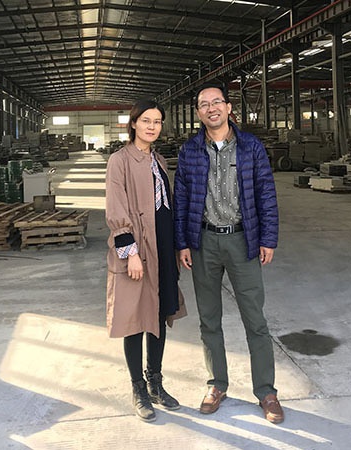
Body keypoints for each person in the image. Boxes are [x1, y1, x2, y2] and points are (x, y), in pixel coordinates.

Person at [173, 81, 283, 424]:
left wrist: (268, 238)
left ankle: (266, 391)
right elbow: (181, 199)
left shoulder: (251, 147)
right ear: (199, 113)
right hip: (204, 241)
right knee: (209, 320)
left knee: (255, 319)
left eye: (217, 102)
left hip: (242, 241)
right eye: (204, 104)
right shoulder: (190, 151)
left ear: (229, 107)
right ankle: (216, 384)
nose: (212, 108)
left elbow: (266, 193)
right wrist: (182, 242)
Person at [105, 99, 186, 422]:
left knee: (159, 313)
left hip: (162, 247)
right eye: (146, 120)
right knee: (135, 319)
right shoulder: (120, 161)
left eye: (157, 121)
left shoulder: (159, 161)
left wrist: (178, 247)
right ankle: (138, 388)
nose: (152, 126)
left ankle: (156, 383)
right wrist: (131, 253)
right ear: (134, 124)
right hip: (138, 250)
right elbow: (116, 207)